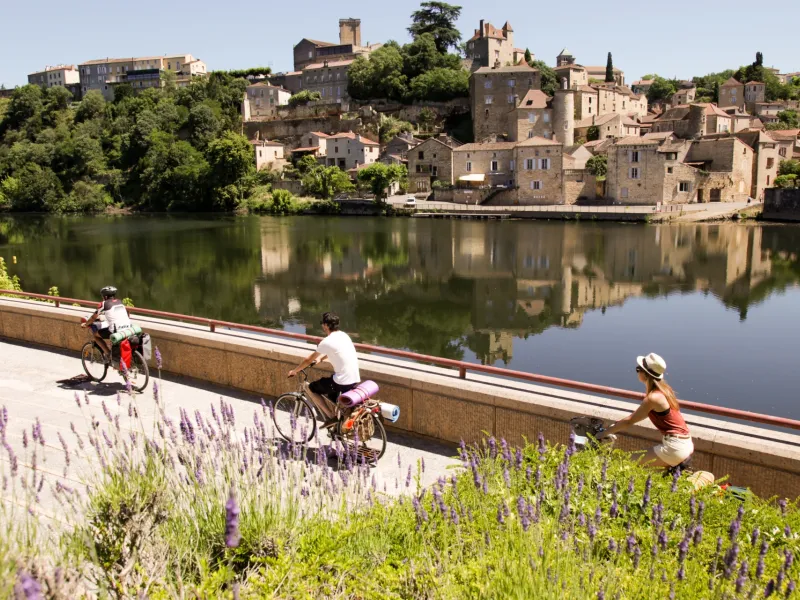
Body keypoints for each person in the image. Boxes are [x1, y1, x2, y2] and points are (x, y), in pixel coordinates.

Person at [598, 353, 693, 469]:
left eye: (638, 369)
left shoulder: (653, 398)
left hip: (674, 447)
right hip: (685, 443)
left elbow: (629, 421)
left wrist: (602, 433)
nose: (637, 372)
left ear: (646, 375)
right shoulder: (665, 391)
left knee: (623, 462)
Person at [288, 312, 360, 428]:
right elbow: (334, 351)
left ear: (326, 325)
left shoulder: (327, 341)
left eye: (323, 324)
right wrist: (320, 359)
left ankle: (331, 417)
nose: (322, 326)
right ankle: (341, 422)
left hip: (342, 381)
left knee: (311, 388)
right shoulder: (344, 335)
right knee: (332, 394)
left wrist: (295, 371)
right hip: (354, 377)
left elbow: (308, 360)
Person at [81, 286, 134, 360]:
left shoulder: (103, 304)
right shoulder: (120, 302)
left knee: (96, 335)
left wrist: (86, 324)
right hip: (128, 329)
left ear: (105, 296)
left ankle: (108, 354)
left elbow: (93, 317)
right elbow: (114, 315)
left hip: (116, 331)